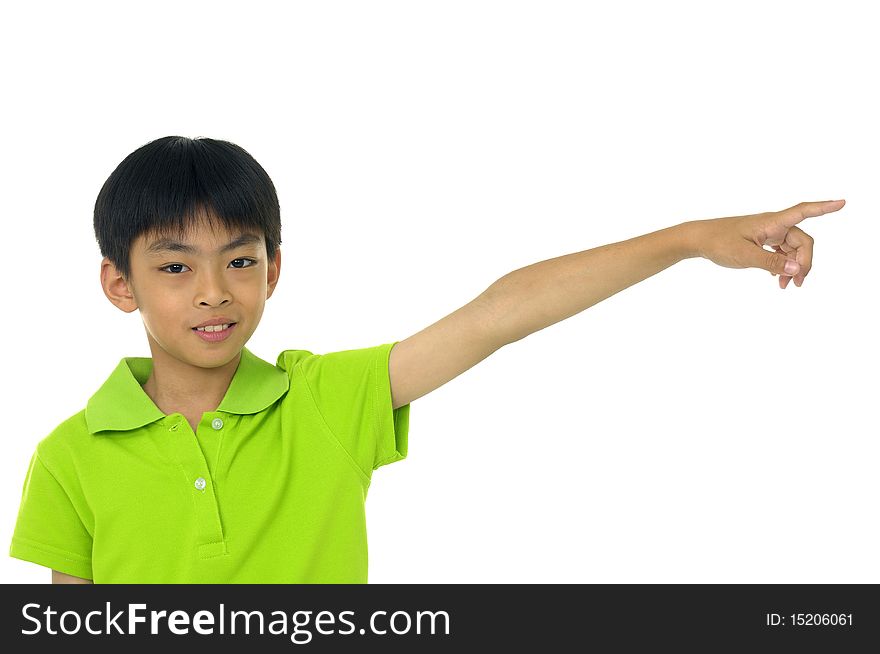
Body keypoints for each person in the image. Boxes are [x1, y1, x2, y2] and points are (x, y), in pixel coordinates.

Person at [8, 135, 846, 583]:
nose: (213, 292)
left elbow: (500, 315)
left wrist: (689, 240)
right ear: (121, 284)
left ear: (274, 269)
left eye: (239, 260)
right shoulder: (71, 456)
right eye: (174, 266)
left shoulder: (326, 399)